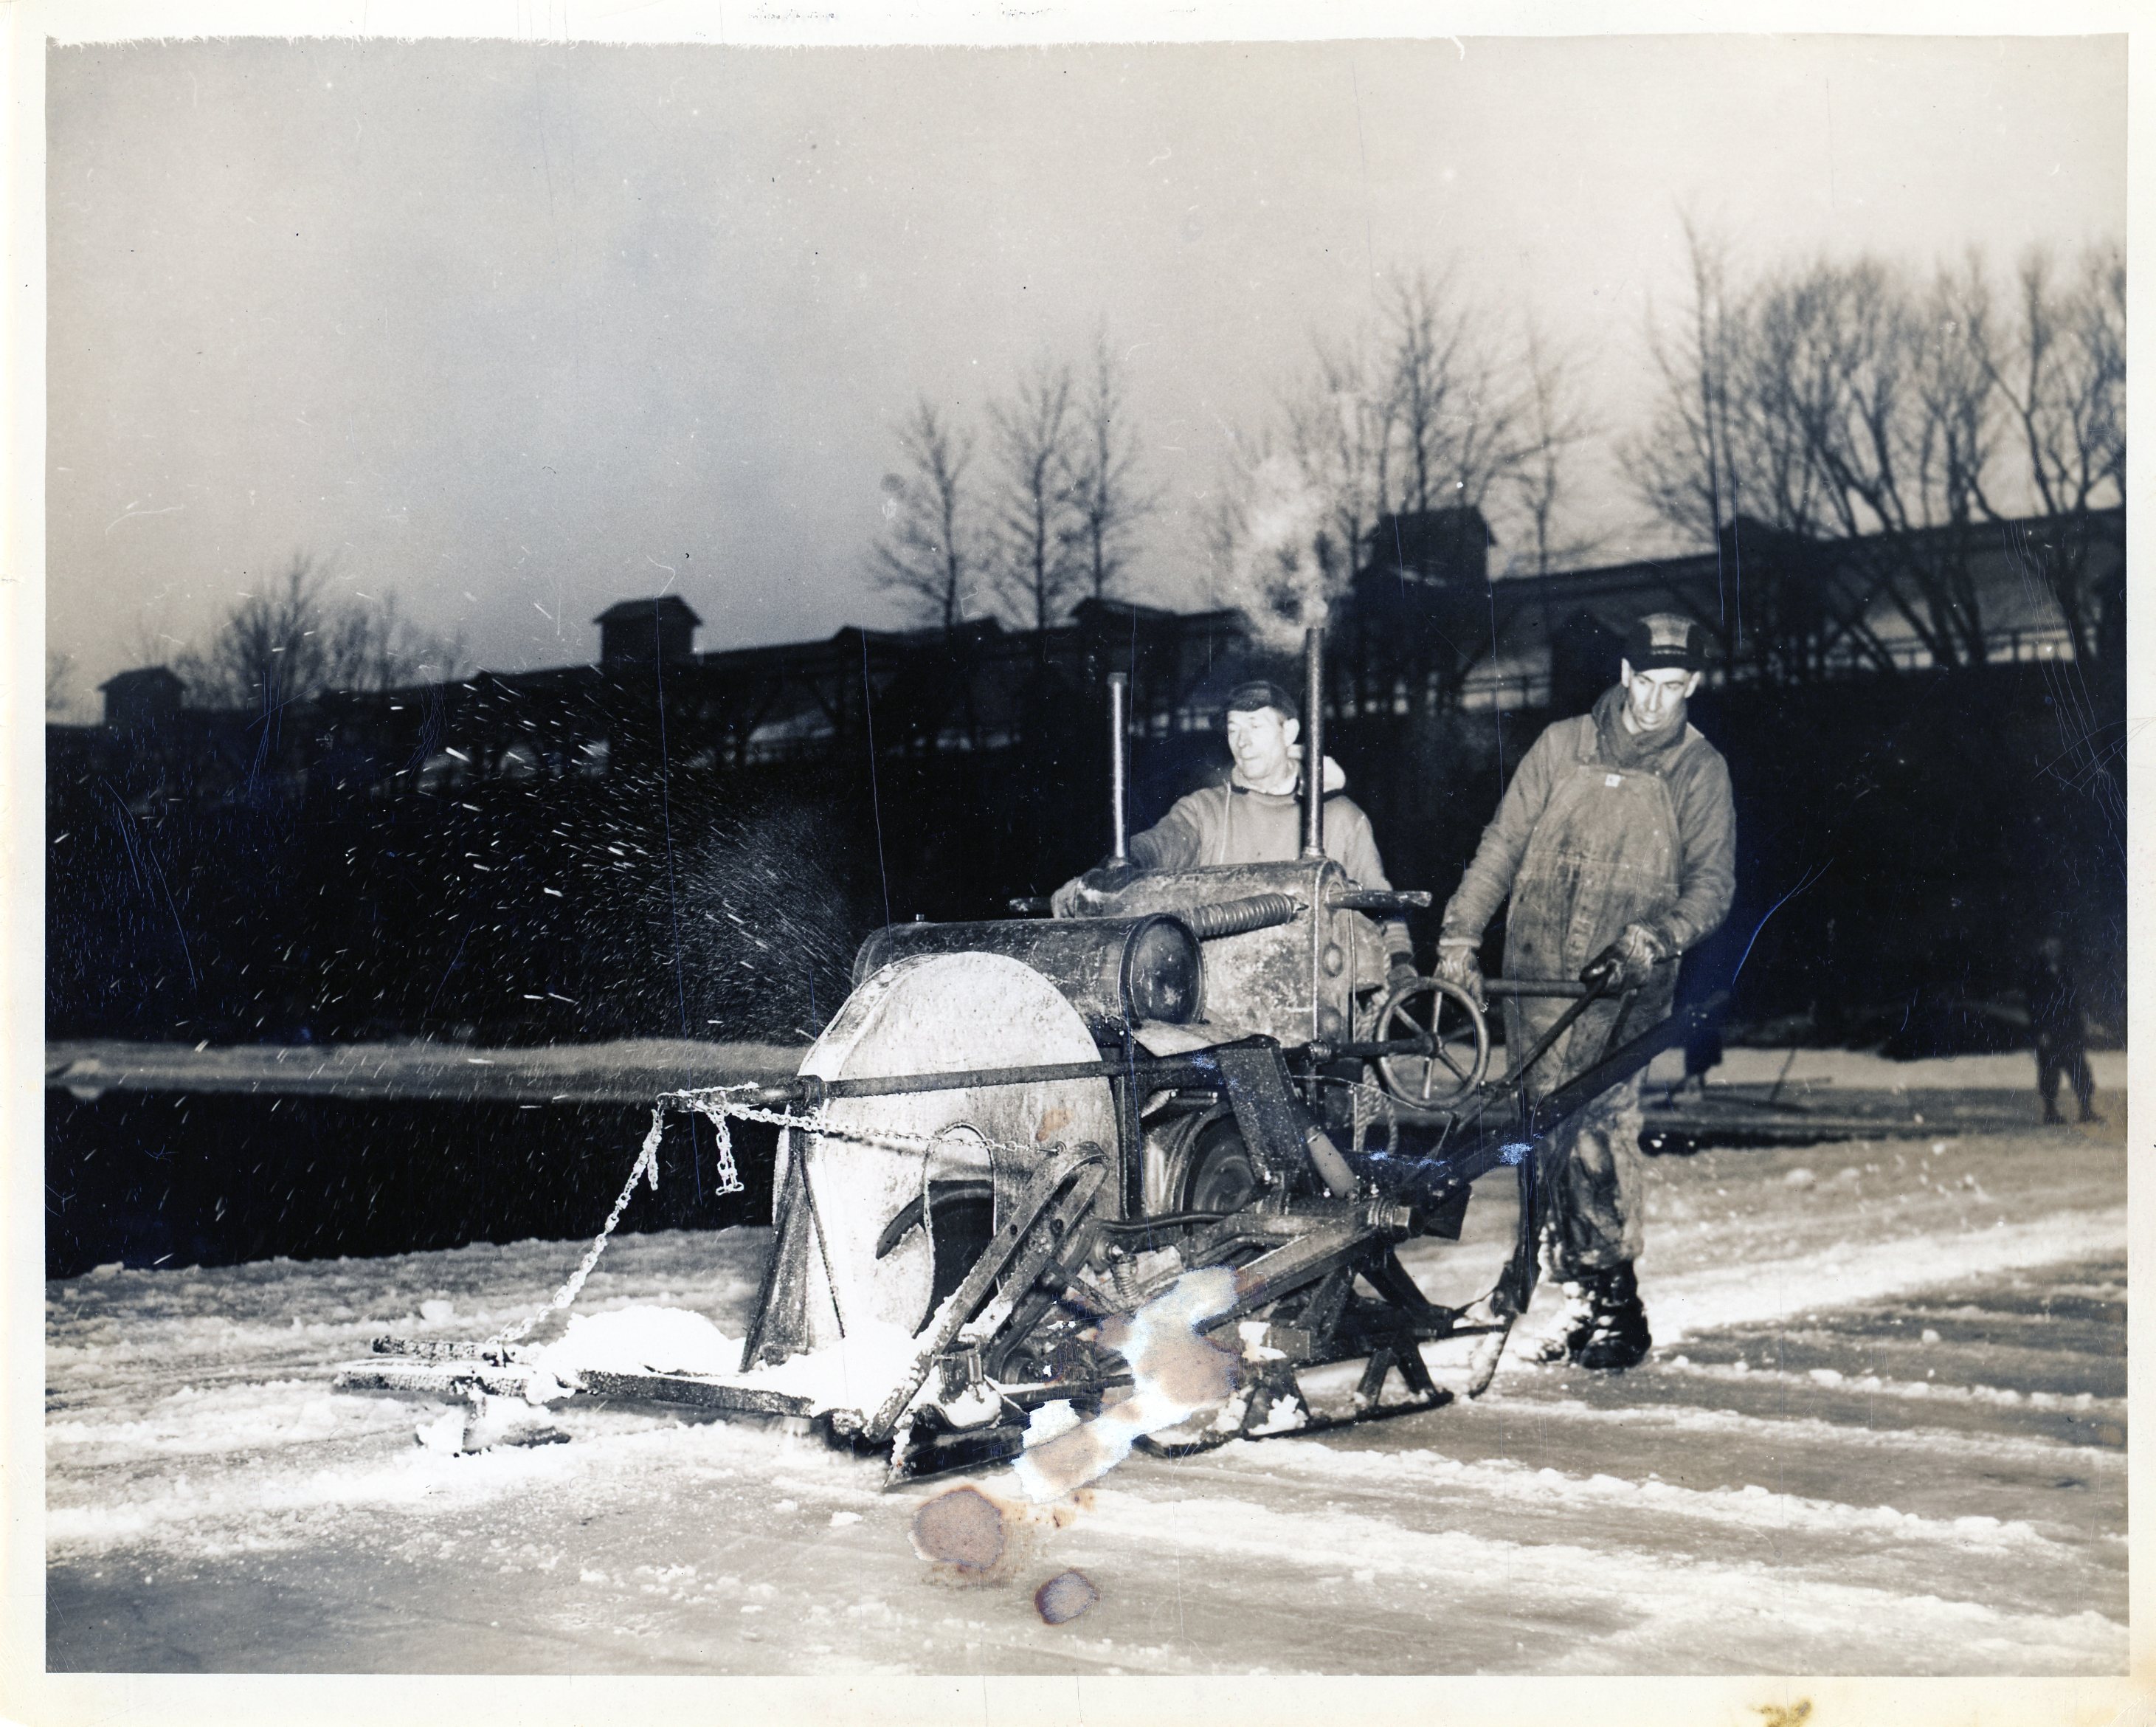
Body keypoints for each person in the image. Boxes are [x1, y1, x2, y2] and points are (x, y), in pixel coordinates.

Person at [1433, 613, 1735, 1371]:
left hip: (1625, 985)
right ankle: (1574, 1298)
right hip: (1536, 970)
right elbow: (1501, 843)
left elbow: (1712, 885)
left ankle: (1616, 1305)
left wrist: (1656, 936)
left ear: (1691, 686)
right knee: (1542, 1136)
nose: (1658, 702)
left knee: (1600, 1128)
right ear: (1626, 674)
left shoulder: (1700, 770)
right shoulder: (1561, 745)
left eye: (1676, 688)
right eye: (1648, 683)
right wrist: (1462, 936)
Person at [1051, 678, 1416, 997]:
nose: (1242, 742)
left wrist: (1400, 966)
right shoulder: (1206, 811)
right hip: (1223, 1001)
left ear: (1289, 732)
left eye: (1255, 726)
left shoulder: (1339, 817)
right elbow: (1160, 844)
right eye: (1233, 728)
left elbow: (1381, 902)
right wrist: (1099, 878)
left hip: (1321, 1006)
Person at [2025, 934, 2100, 1125]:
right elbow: (2034, 1007)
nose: (2053, 950)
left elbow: (2074, 1004)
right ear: (2043, 948)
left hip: (2070, 1033)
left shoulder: (2066, 972)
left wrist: (2081, 1029)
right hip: (2049, 1034)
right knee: (2050, 1073)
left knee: (2080, 1071)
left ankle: (2086, 1110)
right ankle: (2050, 1112)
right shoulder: (2036, 975)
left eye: (2056, 947)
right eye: (2049, 946)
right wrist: (2041, 1031)